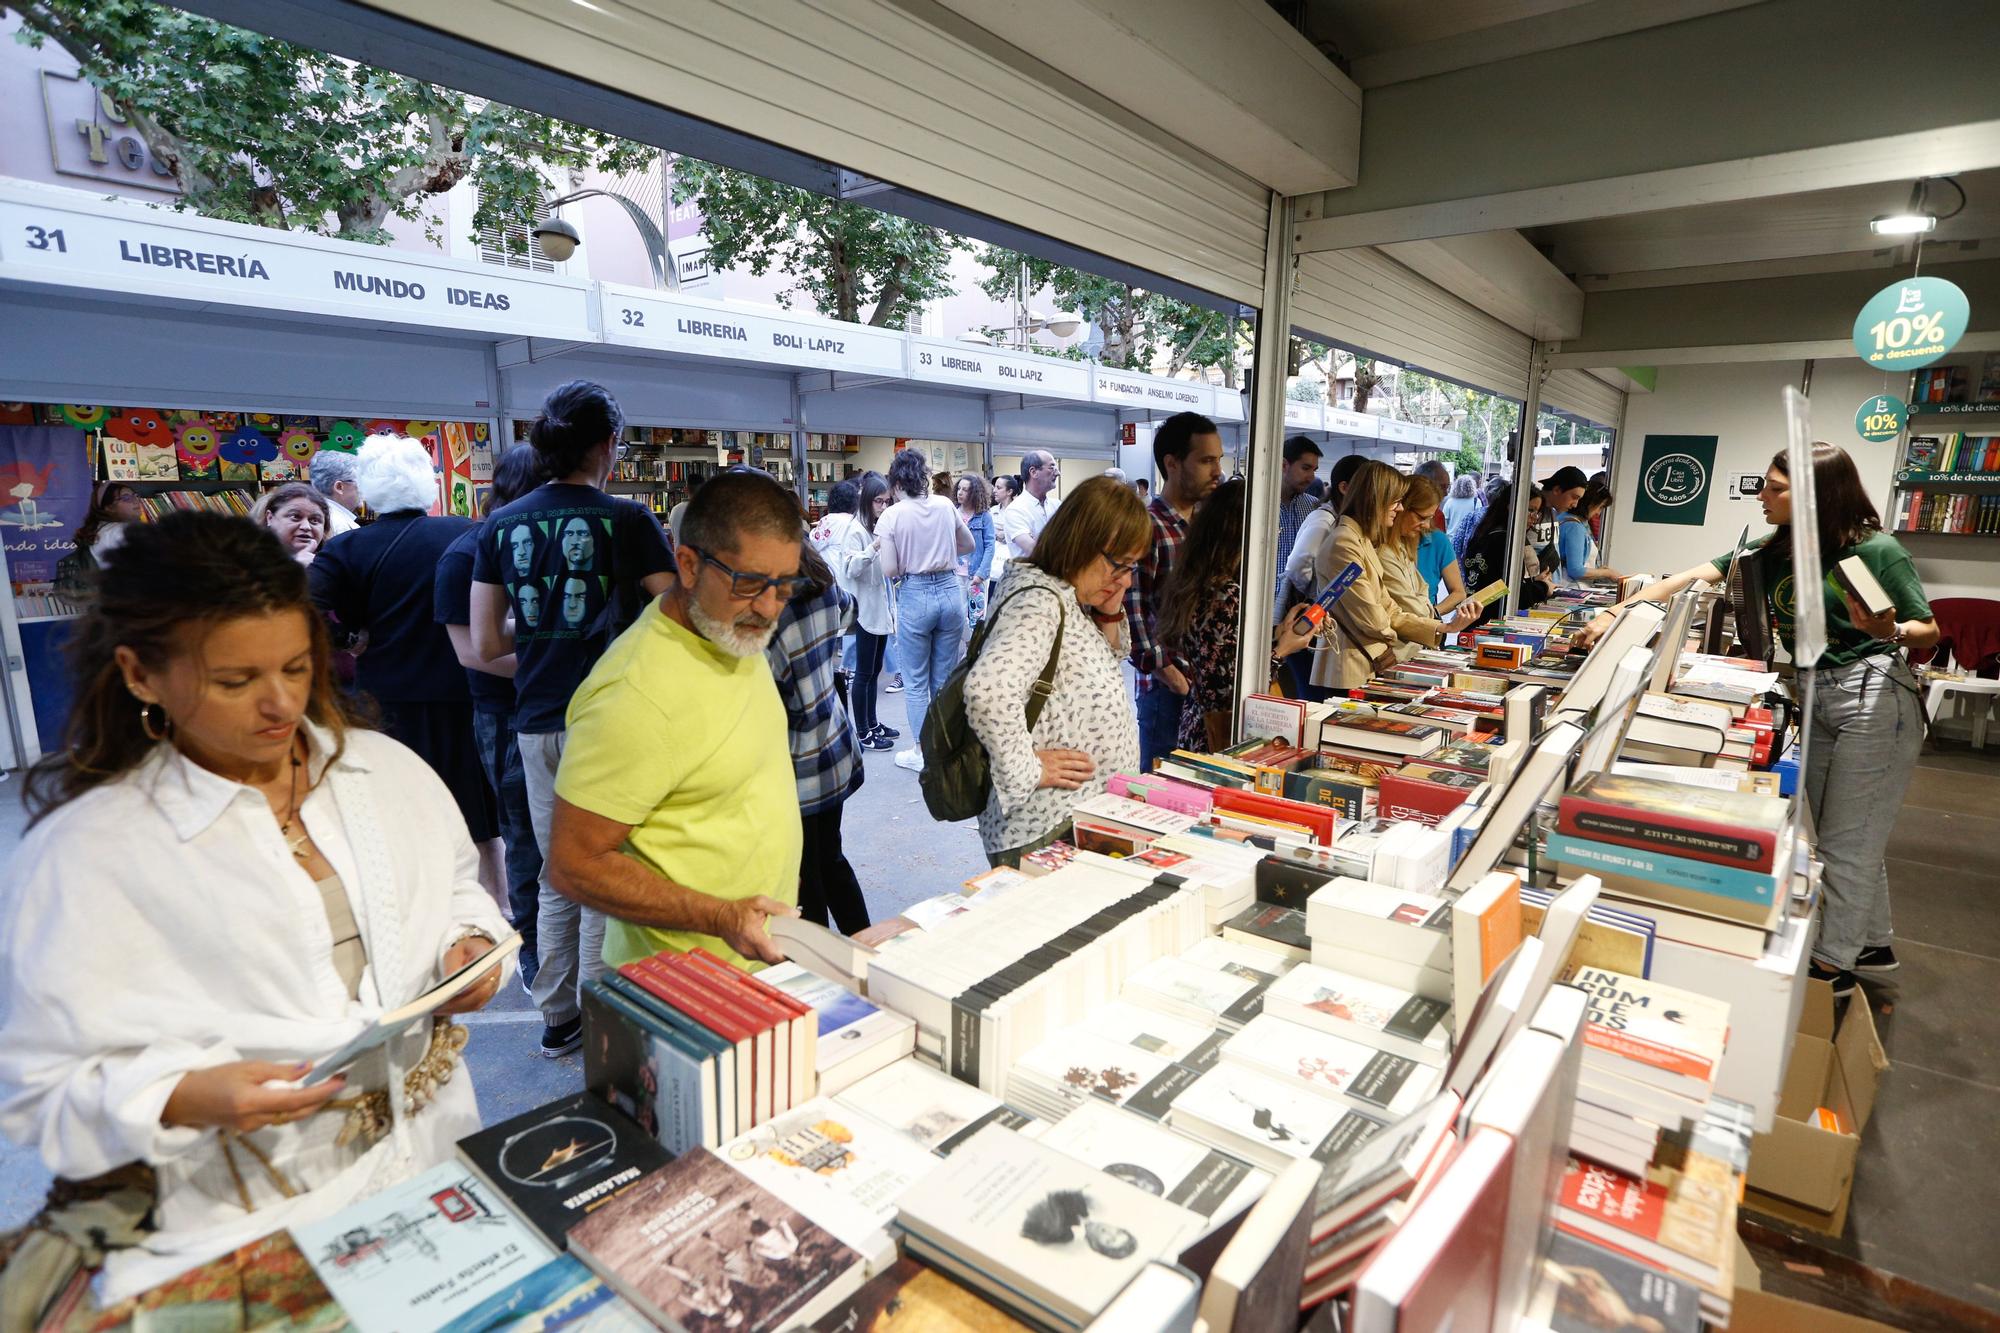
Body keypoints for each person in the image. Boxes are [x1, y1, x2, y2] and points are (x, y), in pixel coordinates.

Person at [1, 512, 507, 1302]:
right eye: (234, 681)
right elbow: (45, 1085)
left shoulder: (384, 768)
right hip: (246, 1214)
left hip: (437, 1162)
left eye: (298, 667)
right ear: (140, 674)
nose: (279, 705)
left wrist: (465, 944)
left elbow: (454, 885)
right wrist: (187, 1093)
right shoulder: (91, 849)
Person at [1575, 444, 1937, 996]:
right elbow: (1685, 578)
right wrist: (1612, 613)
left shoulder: (1875, 550)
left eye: (1776, 488)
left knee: (1847, 841)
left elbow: (1928, 631)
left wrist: (1888, 630)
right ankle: (1871, 940)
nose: (1761, 496)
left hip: (1873, 695)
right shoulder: (1777, 549)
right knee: (1849, 830)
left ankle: (1832, 966)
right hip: (1816, 690)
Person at [471, 380, 676, 1058]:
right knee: (604, 866)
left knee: (559, 869)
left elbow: (486, 644)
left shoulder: (499, 526)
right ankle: (598, 1009)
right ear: (607, 443)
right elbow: (680, 625)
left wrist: (542, 624)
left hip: (535, 718)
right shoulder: (629, 520)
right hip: (610, 721)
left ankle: (557, 1014)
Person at [544, 469, 807, 971]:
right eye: (751, 583)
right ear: (687, 565)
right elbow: (574, 865)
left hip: (757, 963)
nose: (770, 608)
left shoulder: (730, 629)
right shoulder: (633, 694)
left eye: (785, 586)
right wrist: (720, 916)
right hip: (682, 988)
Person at [309, 435, 500, 899]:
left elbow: (302, 609)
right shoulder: (467, 533)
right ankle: (496, 912)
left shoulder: (346, 550)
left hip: (385, 700)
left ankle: (421, 907)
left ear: (368, 488)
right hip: (464, 692)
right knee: (476, 817)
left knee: (399, 811)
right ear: (428, 484)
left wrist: (347, 639)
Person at [964, 477, 1145, 865]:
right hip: (1045, 825)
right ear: (1083, 544)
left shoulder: (1067, 593)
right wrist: (1028, 768)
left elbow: (1105, 657)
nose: (1127, 579)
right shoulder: (1039, 601)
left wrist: (1110, 604)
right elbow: (987, 691)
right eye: (1120, 566)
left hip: (1072, 816)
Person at [435, 445, 548, 989]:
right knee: (523, 835)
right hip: (507, 715)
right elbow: (472, 652)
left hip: (564, 709)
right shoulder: (467, 553)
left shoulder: (552, 543)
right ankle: (534, 953)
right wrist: (557, 670)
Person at [1158, 479, 1318, 751]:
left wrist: (1277, 634)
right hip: (1221, 734)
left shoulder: (1200, 581)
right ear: (1244, 533)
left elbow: (1223, 655)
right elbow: (1229, 688)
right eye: (1270, 529)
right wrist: (1283, 649)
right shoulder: (1225, 594)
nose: (1274, 537)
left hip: (1198, 723)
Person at [767, 540, 869, 934]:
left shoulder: (767, 609)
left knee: (805, 877)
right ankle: (869, 949)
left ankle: (823, 975)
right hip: (833, 745)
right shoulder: (821, 581)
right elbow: (850, 612)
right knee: (832, 858)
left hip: (795, 766)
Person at [1308, 461, 1478, 692]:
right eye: (1396, 502)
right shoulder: (1345, 543)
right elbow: (1374, 618)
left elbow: (1389, 608)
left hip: (1364, 665)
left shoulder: (1360, 540)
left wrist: (1440, 629)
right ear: (1376, 500)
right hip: (1350, 669)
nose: (1399, 509)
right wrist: (1402, 637)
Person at [1127, 413, 1225, 772]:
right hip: (1166, 690)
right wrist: (1170, 675)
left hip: (1206, 686)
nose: (1217, 471)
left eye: (1218, 459)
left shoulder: (1206, 526)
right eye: (1206, 460)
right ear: (1172, 463)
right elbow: (1133, 613)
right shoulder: (1147, 526)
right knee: (1162, 791)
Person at [874, 449, 973, 773]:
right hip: (949, 591)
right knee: (943, 678)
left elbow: (889, 569)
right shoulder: (945, 505)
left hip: (915, 594)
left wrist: (908, 560)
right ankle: (944, 747)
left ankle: (921, 750)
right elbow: (968, 545)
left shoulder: (893, 515)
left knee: (915, 681)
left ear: (898, 482)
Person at [830, 472, 896, 753]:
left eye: (886, 502)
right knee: (864, 673)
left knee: (874, 669)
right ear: (867, 501)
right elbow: (851, 567)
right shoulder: (855, 529)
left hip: (878, 606)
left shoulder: (873, 527)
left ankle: (873, 722)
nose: (883, 507)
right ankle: (864, 731)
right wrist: (875, 546)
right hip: (864, 609)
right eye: (878, 501)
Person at [1460, 481, 1550, 623]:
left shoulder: (1485, 533)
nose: (1534, 517)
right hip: (1491, 622)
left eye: (1537, 512)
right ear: (1511, 507)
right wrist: (1543, 587)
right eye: (1530, 510)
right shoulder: (1504, 542)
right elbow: (1509, 593)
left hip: (1475, 618)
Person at [1272, 435, 1324, 625]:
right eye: (1305, 468)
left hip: (1297, 614)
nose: (1311, 477)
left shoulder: (1314, 508)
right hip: (1259, 609)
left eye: (1314, 470)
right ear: (1284, 465)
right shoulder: (1257, 506)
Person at [1401, 474, 1468, 610]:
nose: (1426, 525)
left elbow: (1458, 593)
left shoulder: (1438, 541)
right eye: (1421, 517)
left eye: (1430, 518)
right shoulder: (1381, 543)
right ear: (1401, 508)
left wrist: (1432, 614)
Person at [1553, 477, 1621, 586]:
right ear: (1589, 503)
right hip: (1571, 586)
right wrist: (1607, 573)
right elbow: (1576, 570)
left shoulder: (1564, 518)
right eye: (1600, 507)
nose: (1598, 513)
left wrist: (1598, 571)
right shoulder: (1574, 527)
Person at [999, 450, 1061, 560]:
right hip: (1030, 576)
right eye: (1052, 468)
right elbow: (1035, 551)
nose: (1057, 473)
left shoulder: (1057, 505)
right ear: (1033, 472)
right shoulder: (1016, 510)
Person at [249, 482, 331, 565]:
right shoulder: (244, 562)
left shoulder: (334, 564)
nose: (306, 527)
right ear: (270, 518)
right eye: (295, 517)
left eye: (314, 520)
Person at [955, 472, 994, 632]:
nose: (960, 492)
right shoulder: (952, 513)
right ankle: (965, 647)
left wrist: (981, 573)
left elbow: (990, 546)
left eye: (965, 490)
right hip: (955, 573)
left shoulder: (984, 516)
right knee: (957, 614)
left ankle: (973, 650)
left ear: (974, 493)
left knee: (977, 615)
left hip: (976, 574)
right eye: (959, 488)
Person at [74, 482, 145, 568]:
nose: (135, 501)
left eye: (136, 495)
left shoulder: (102, 528)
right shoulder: (119, 531)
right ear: (109, 507)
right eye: (126, 498)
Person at [308, 450, 362, 535]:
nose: (363, 488)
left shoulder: (316, 515)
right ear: (339, 487)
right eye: (359, 482)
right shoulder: (341, 526)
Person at [1442, 474, 1483, 551]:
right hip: (1468, 542)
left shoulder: (1450, 502)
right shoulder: (1476, 501)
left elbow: (1444, 522)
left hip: (1451, 541)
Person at [1414, 459, 1452, 529]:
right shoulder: (1402, 514)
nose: (1446, 493)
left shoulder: (1438, 515)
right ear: (1424, 485)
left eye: (1447, 487)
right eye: (1442, 487)